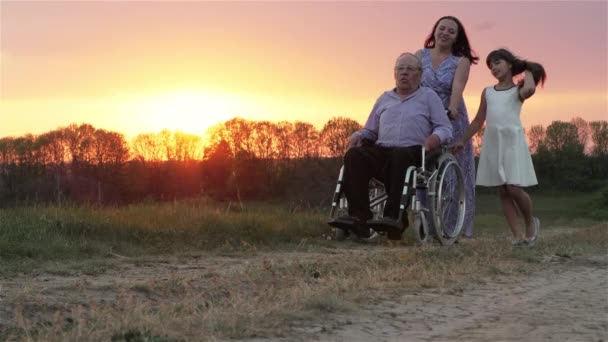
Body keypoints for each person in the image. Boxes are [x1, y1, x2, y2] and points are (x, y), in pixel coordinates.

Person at [329, 53, 452, 240]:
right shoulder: (384, 98)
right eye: (400, 69)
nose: (404, 73)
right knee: (354, 155)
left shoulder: (429, 97)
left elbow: (445, 127)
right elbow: (370, 130)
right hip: (383, 149)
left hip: (414, 151)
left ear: (419, 75)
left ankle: (394, 217)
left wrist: (435, 138)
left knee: (400, 156)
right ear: (394, 74)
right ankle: (359, 217)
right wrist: (358, 135)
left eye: (409, 69)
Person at [453, 48, 547, 247]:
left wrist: (528, 68)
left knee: (513, 188)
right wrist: (462, 139)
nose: (494, 68)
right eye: (491, 66)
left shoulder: (518, 91)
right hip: (493, 142)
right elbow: (479, 120)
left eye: (497, 62)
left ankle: (530, 221)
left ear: (510, 64)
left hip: (512, 142)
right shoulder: (487, 92)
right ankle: (518, 236)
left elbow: (529, 89)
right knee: (502, 190)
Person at [415, 15, 478, 240]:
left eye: (451, 31)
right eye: (442, 29)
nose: (445, 33)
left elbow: (458, 87)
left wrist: (451, 110)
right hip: (422, 114)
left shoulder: (460, 61)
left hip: (449, 114)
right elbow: (410, 83)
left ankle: (454, 226)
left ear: (456, 38)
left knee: (453, 172)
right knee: (422, 168)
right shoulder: (419, 56)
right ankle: (422, 223)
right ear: (434, 31)